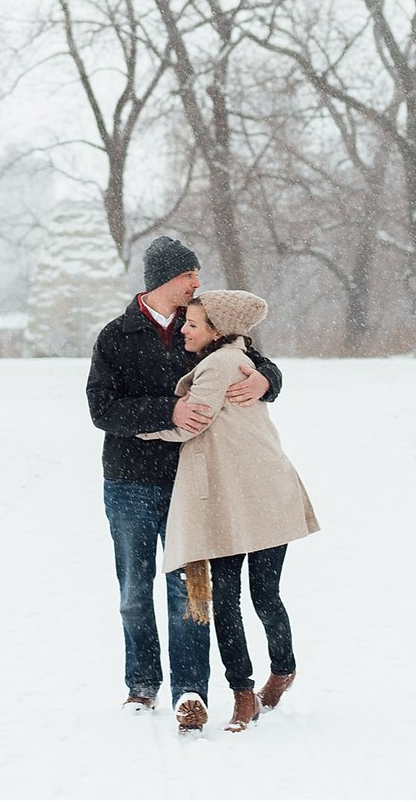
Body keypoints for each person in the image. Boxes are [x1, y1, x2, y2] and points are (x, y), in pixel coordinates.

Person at [86, 236, 282, 732]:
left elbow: (253, 360)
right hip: (128, 480)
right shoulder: (116, 336)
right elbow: (101, 410)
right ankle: (142, 684)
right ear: (163, 281)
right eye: (189, 275)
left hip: (191, 482)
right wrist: (165, 410)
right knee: (134, 591)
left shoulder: (206, 329)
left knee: (190, 592)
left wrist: (268, 381)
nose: (198, 283)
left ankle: (190, 691)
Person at [146, 289, 320, 735]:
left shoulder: (220, 363)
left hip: (259, 493)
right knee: (244, 598)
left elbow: (191, 422)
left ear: (218, 331)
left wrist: (140, 430)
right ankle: (245, 693)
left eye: (194, 324)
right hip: (231, 498)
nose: (185, 328)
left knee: (248, 598)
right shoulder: (234, 355)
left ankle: (279, 673)